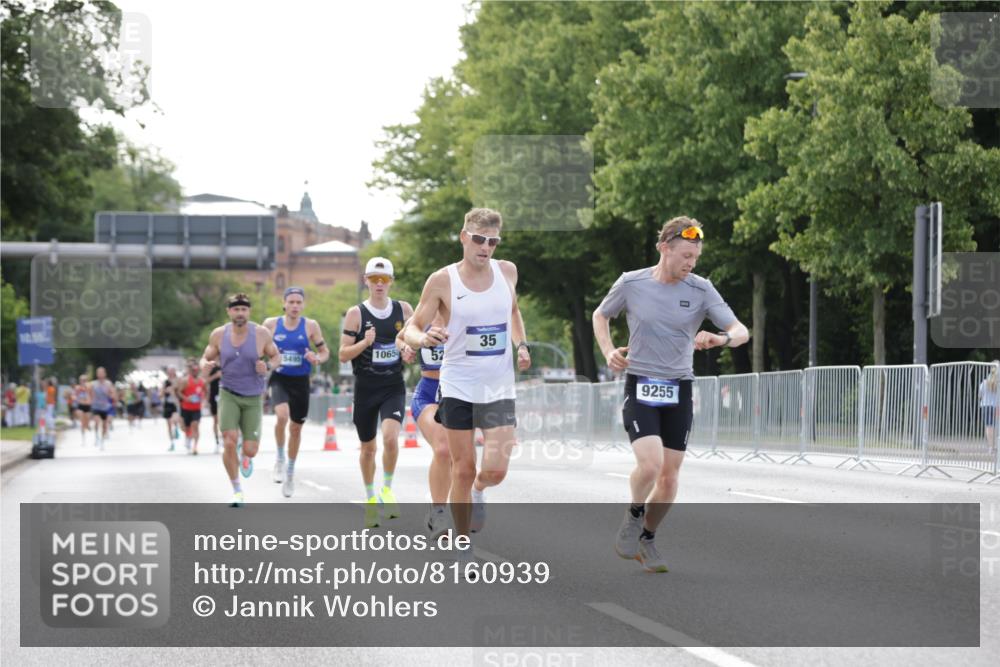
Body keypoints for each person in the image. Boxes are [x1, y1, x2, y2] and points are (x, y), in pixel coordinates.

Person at [593, 215, 749, 573]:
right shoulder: (631, 283)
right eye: (685, 256)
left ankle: (647, 538)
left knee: (670, 476)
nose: (690, 264)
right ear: (664, 248)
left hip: (680, 386)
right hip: (642, 382)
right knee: (650, 464)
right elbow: (600, 316)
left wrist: (721, 338)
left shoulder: (701, 289)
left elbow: (741, 330)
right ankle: (634, 515)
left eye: (695, 257)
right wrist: (607, 352)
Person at [402, 207, 532, 565]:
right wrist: (424, 338)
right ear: (464, 237)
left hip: (498, 386)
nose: (485, 247)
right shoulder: (442, 281)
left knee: (495, 470)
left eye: (492, 241)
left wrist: (521, 344)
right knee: (462, 466)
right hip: (458, 384)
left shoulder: (508, 272)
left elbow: (514, 311)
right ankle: (462, 543)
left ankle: (478, 492)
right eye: (478, 239)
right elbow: (410, 328)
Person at [339, 257, 416, 527]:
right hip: (365, 388)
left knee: (391, 438)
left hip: (393, 385)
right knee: (368, 449)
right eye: (374, 279)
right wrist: (364, 343)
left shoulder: (404, 310)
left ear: (391, 282)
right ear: (366, 282)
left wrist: (408, 350)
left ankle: (387, 489)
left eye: (384, 280)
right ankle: (371, 497)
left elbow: (412, 340)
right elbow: (342, 354)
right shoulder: (356, 314)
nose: (379, 284)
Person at [200, 292, 281, 507]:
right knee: (228, 439)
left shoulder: (261, 334)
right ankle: (237, 490)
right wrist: (204, 365)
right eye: (236, 309)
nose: (240, 313)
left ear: (249, 312)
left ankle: (244, 455)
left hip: (253, 397)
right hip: (228, 393)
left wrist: (269, 366)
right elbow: (205, 357)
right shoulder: (218, 335)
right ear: (229, 312)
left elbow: (276, 356)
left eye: (244, 309)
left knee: (251, 449)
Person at [264, 286, 330, 498]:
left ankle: (290, 473)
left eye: (298, 302)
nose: (294, 306)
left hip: (301, 381)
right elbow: (259, 348)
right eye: (291, 302)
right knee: (282, 416)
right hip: (279, 377)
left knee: (295, 429)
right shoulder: (271, 324)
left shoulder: (310, 326)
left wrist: (317, 358)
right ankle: (279, 459)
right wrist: (265, 361)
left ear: (303, 305)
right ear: (284, 304)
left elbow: (324, 351)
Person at [398, 313, 451, 537]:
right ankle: (438, 512)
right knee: (443, 448)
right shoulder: (424, 316)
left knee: (460, 458)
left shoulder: (466, 315)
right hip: (429, 392)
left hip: (460, 393)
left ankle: (468, 498)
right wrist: (405, 348)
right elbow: (400, 337)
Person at [89, 367, 118, 449]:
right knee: (97, 422)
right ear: (97, 374)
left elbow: (112, 394)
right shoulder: (93, 384)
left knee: (104, 425)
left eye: (102, 372)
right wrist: (90, 401)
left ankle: (102, 441)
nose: (100, 374)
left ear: (104, 374)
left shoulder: (108, 384)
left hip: (105, 407)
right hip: (96, 406)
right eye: (99, 372)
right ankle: (96, 436)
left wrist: (113, 397)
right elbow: (90, 394)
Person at [980, 364, 999, 452]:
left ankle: (990, 446)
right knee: (995, 426)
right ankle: (995, 445)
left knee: (988, 426)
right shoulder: (997, 384)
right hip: (995, 406)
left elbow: (979, 394)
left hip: (985, 405)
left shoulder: (984, 382)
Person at [162, 367, 182, 451]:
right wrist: (164, 391)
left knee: (175, 419)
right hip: (167, 404)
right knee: (168, 424)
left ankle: (177, 428)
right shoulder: (165, 382)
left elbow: (179, 388)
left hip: (176, 403)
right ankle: (172, 443)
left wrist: (172, 388)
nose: (170, 373)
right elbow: (162, 392)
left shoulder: (178, 380)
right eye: (169, 371)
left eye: (172, 371)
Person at [207, 364, 222, 452]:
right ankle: (217, 442)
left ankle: (224, 438)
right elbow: (205, 381)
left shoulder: (228, 365)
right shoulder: (211, 367)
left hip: (227, 396)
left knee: (225, 420)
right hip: (214, 396)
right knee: (216, 420)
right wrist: (216, 376)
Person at [72, 375, 92, 444]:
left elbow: (92, 396)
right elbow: (74, 395)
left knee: (86, 422)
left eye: (84, 380)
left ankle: (87, 426)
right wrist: (75, 398)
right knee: (82, 423)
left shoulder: (89, 388)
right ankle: (83, 438)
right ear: (80, 381)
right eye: (82, 380)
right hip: (80, 406)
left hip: (87, 406)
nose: (83, 382)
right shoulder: (77, 388)